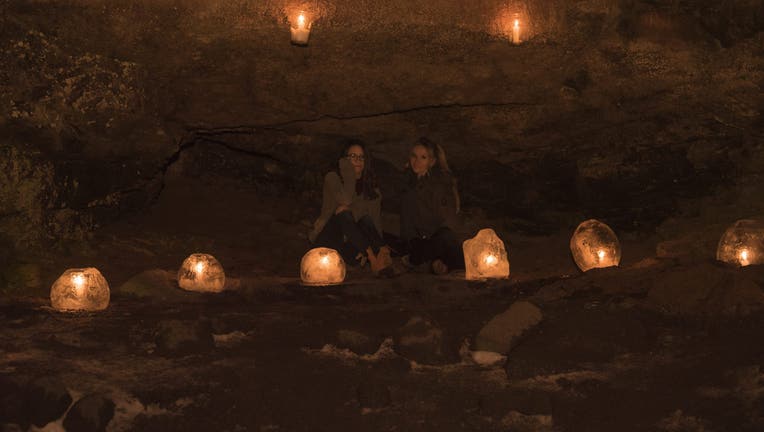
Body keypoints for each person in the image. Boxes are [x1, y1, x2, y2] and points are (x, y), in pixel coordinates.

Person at [309, 139, 392, 274]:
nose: (358, 160)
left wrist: (377, 246)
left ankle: (381, 254)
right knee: (343, 214)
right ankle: (371, 256)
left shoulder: (372, 190)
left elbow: (375, 222)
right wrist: (348, 172)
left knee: (366, 220)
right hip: (328, 241)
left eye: (361, 157)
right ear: (344, 160)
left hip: (352, 243)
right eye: (352, 156)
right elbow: (346, 199)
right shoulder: (332, 178)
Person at [399, 137, 465, 274]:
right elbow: (406, 220)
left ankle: (426, 261)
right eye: (414, 156)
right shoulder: (408, 184)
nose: (416, 162)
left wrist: (434, 240)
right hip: (418, 240)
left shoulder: (439, 185)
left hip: (438, 238)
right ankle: (430, 262)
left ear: (432, 161)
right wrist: (411, 240)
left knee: (445, 240)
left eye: (423, 157)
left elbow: (448, 220)